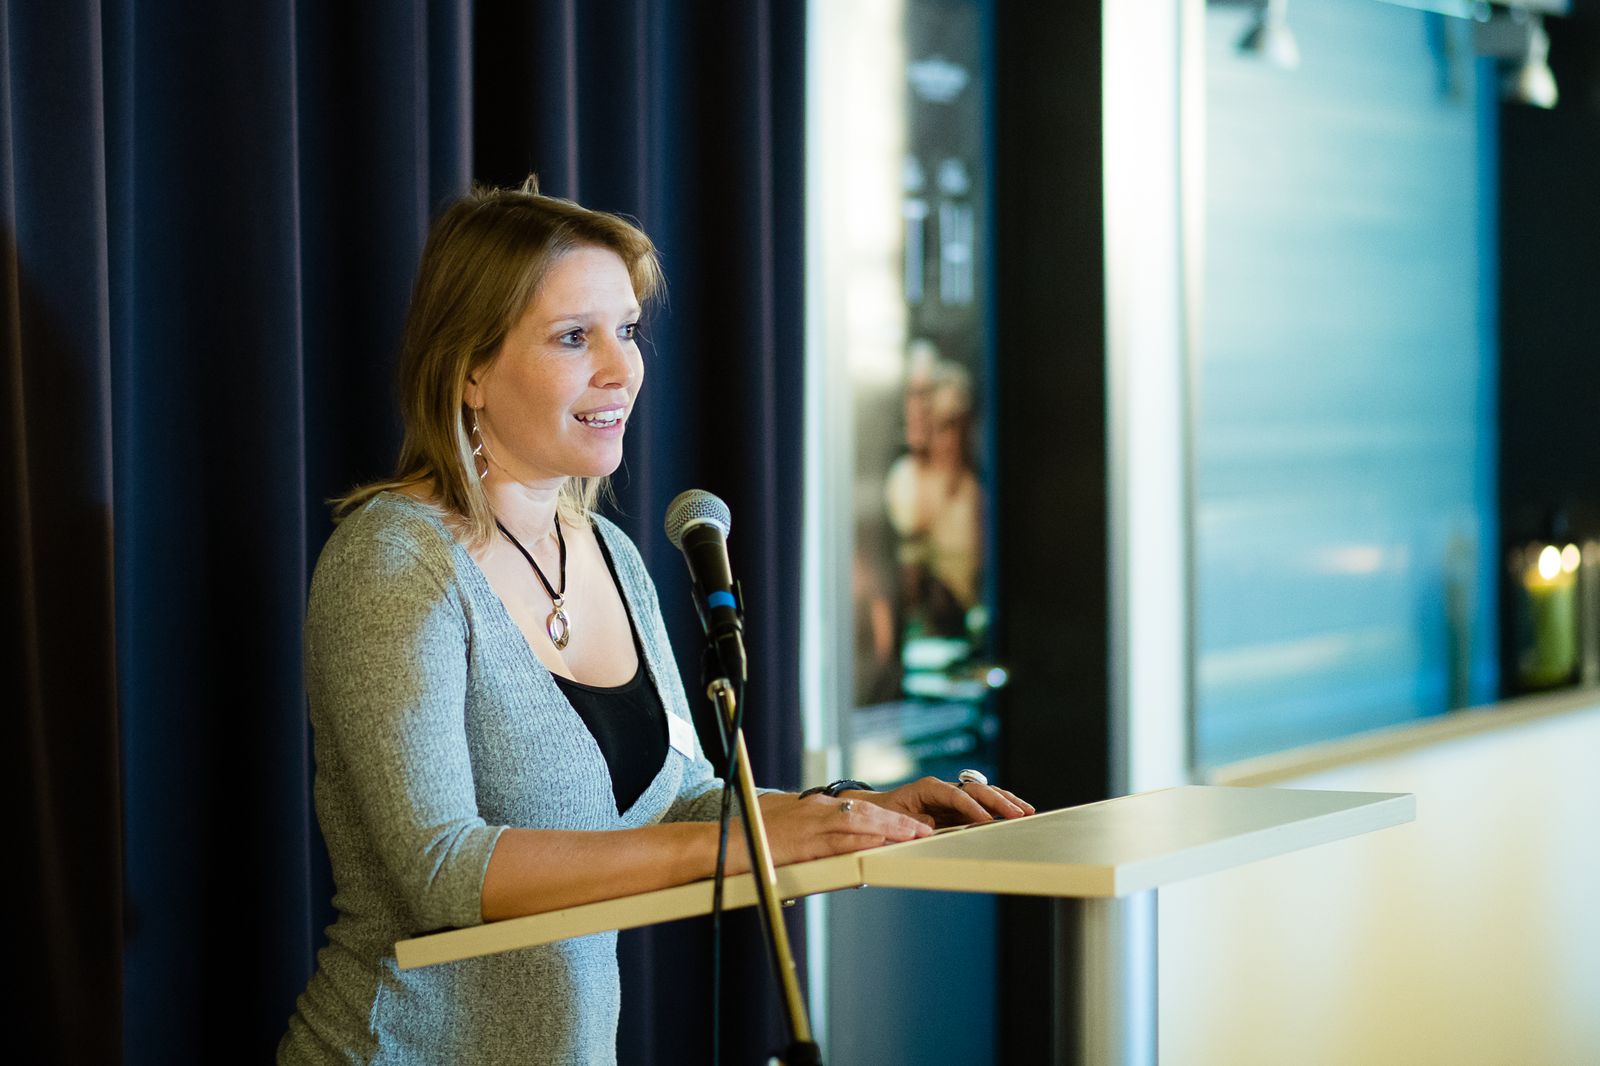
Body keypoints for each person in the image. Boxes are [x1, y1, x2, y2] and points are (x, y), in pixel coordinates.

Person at [277, 179, 1033, 1065]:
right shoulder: (397, 561)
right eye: (574, 337)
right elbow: (441, 870)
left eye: (628, 331)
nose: (620, 369)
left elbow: (681, 802)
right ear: (469, 369)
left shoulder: (611, 553)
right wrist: (745, 848)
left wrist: (851, 812)